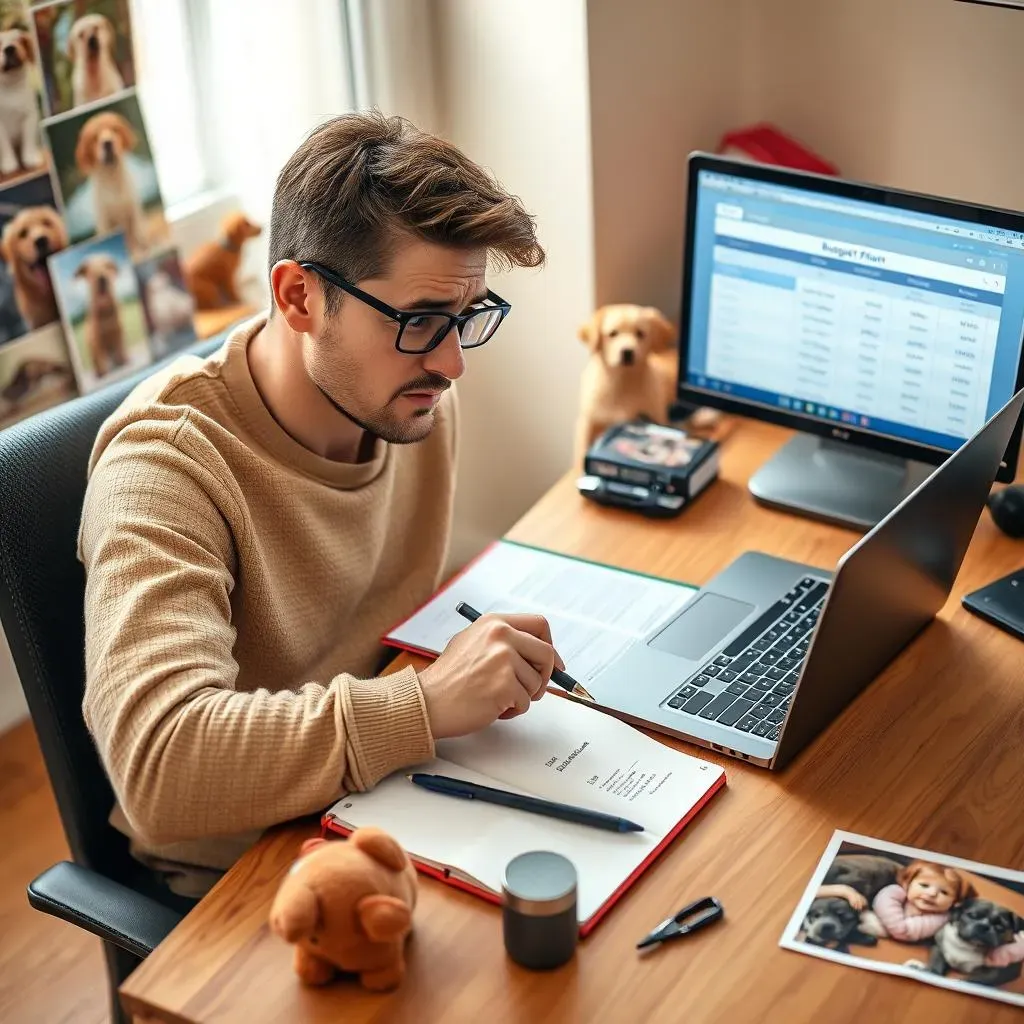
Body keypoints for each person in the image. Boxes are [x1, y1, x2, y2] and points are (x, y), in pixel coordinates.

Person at [78, 110, 556, 898]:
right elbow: (159, 762)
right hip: (251, 876)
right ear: (299, 296)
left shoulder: (410, 401)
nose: (449, 364)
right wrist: (426, 705)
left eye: (466, 319)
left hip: (389, 800)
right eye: (421, 322)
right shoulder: (165, 466)